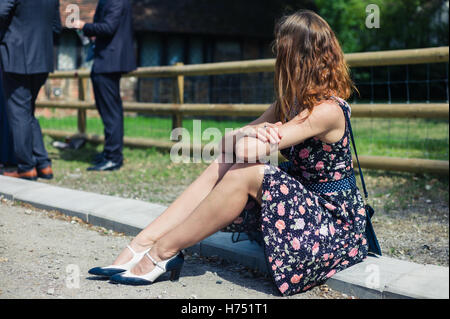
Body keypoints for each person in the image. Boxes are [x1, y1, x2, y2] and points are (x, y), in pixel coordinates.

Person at [88, 10, 369, 296]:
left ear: (296, 57)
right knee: (225, 162)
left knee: (245, 172)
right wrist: (246, 133)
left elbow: (247, 152)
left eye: (281, 51)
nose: (277, 59)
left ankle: (163, 252)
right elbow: (225, 144)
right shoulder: (290, 103)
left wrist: (247, 138)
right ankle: (143, 243)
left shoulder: (328, 111)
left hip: (333, 223)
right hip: (304, 205)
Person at [0, 0, 61, 180]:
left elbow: (1, 12)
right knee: (27, 113)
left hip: (16, 56)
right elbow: (57, 27)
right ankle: (44, 165)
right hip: (43, 58)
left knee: (18, 114)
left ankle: (26, 167)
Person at [74, 0, 136, 171]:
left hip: (109, 62)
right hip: (107, 61)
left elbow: (109, 27)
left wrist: (84, 25)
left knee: (111, 113)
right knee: (109, 111)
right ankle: (110, 152)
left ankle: (113, 157)